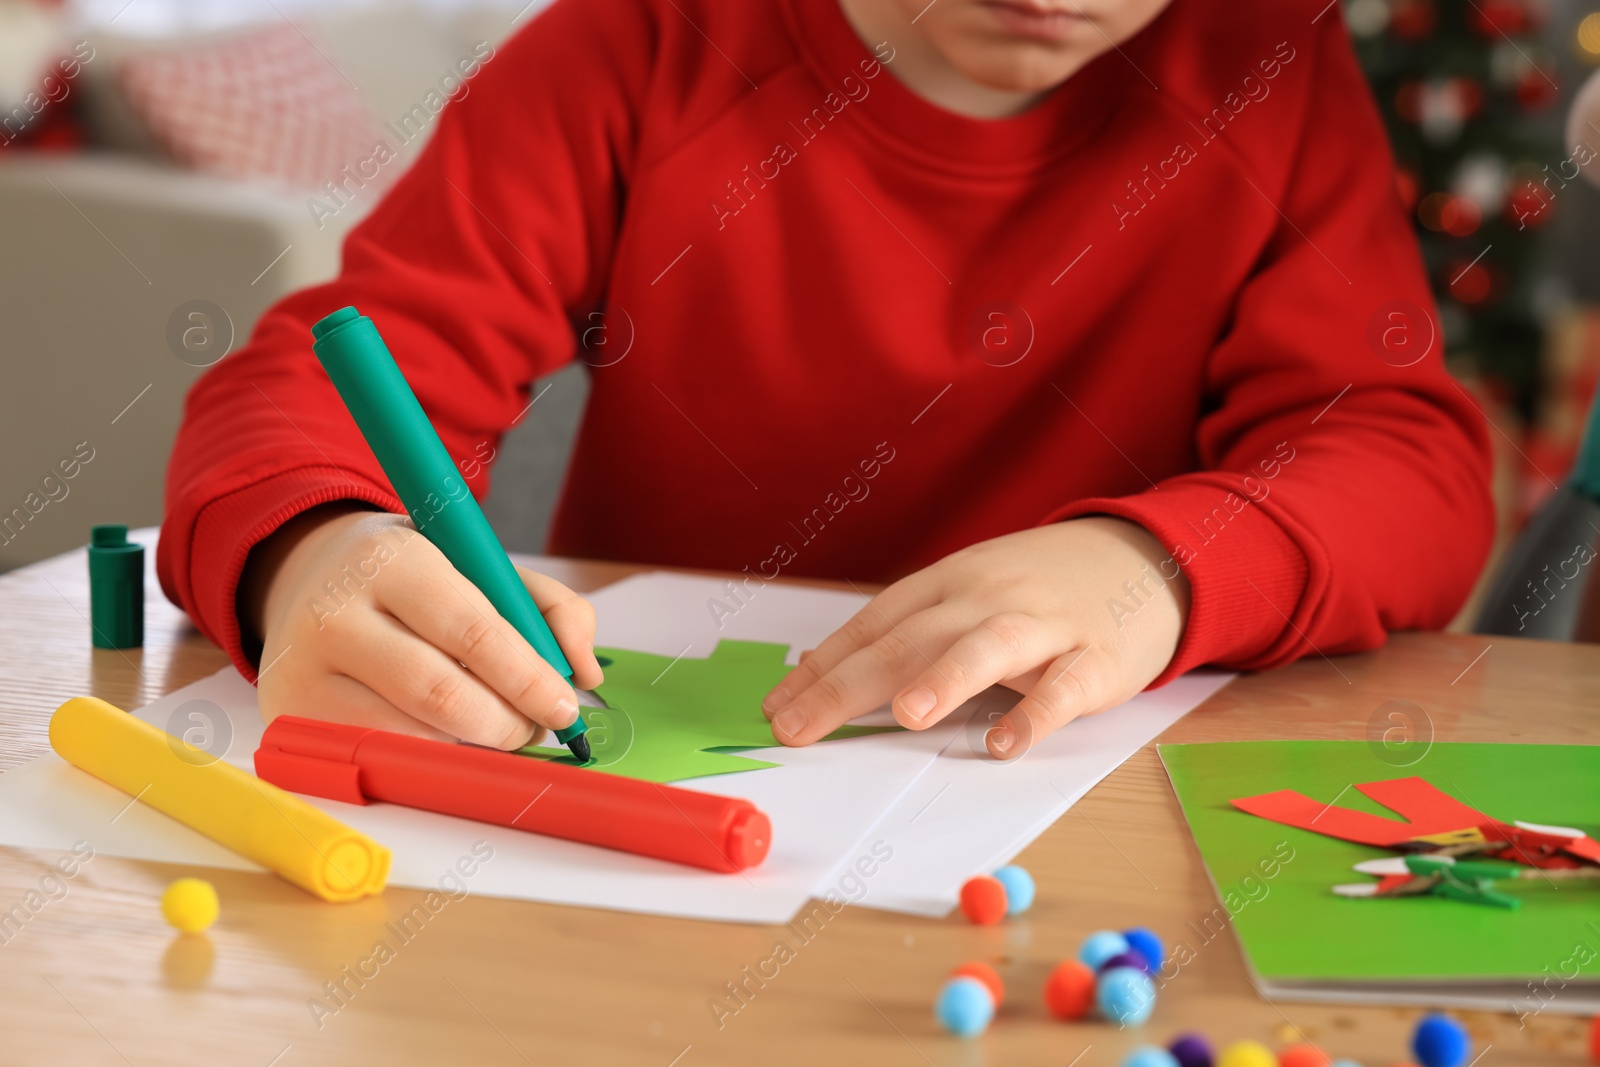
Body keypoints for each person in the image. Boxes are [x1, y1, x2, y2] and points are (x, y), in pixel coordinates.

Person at [159, 0, 1492, 761]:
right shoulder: (647, 38)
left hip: (1063, 826)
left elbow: (1403, 460)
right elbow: (349, 364)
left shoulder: (1268, 59)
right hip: (646, 842)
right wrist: (308, 543)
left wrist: (1164, 568)